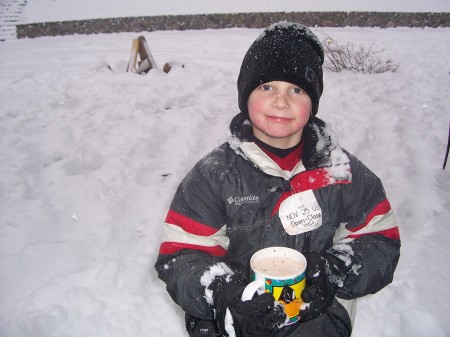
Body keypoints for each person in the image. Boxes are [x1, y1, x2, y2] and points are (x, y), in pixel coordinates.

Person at [155, 21, 400, 337]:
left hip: (313, 316)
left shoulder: (341, 172)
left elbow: (381, 238)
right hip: (232, 315)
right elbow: (180, 253)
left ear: (313, 101)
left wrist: (329, 273)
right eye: (267, 87)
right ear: (246, 96)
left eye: (296, 90)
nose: (281, 102)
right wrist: (222, 292)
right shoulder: (214, 174)